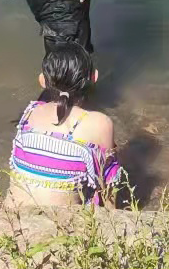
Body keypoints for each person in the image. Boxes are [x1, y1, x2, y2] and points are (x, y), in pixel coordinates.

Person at [6, 42, 122, 208]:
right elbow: (106, 181)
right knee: (108, 167)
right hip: (61, 218)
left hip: (12, 212)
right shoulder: (100, 123)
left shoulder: (30, 112)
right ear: (94, 77)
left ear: (42, 80)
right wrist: (111, 216)